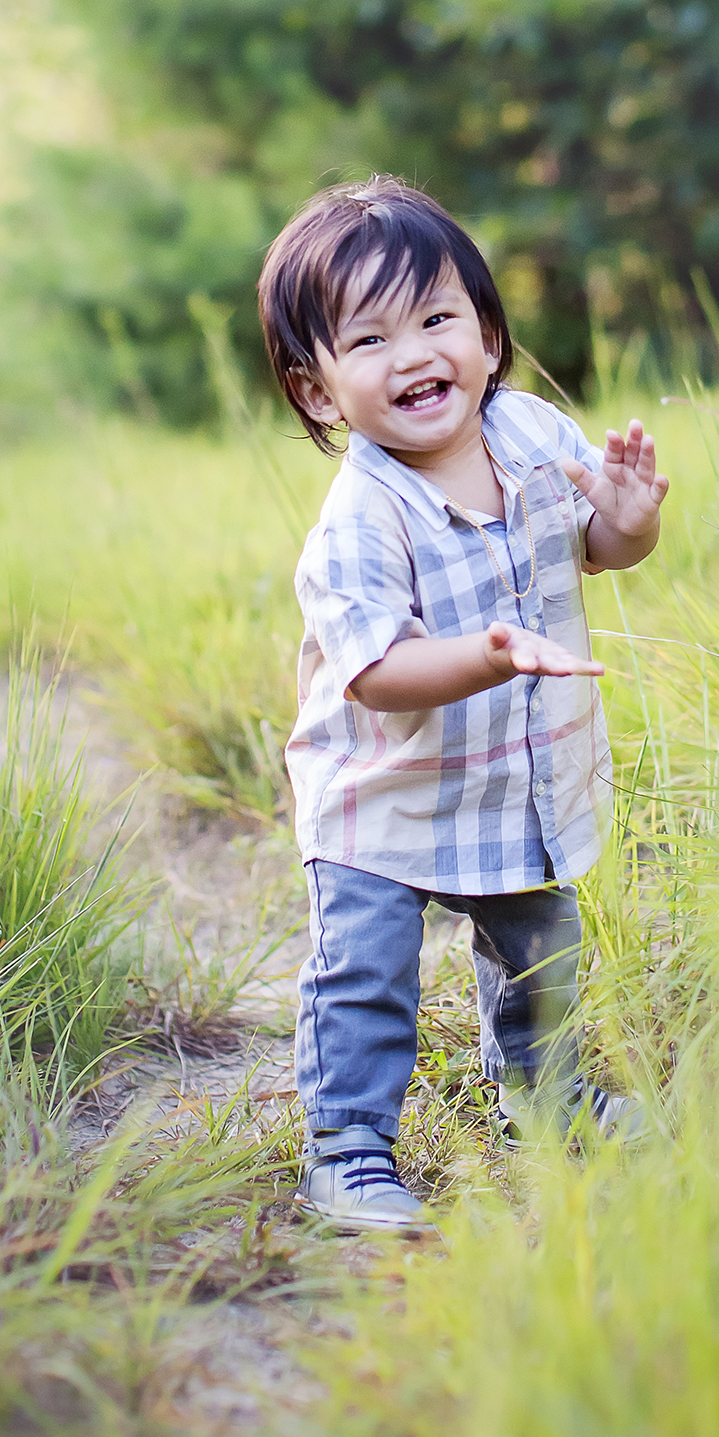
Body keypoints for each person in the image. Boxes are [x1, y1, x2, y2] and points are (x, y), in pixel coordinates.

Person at [256, 175, 669, 1234]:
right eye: (372, 339)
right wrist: (486, 655)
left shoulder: (530, 434)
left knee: (541, 950)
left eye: (438, 319)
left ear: (487, 336)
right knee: (367, 980)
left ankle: (545, 1096)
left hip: (511, 780)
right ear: (318, 391)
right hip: (380, 797)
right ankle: (347, 1152)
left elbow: (601, 548)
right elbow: (381, 674)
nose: (416, 355)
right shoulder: (359, 521)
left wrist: (628, 520)